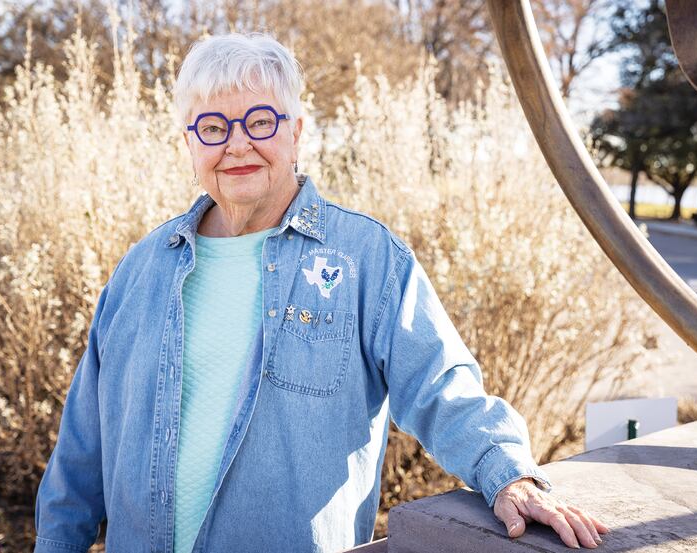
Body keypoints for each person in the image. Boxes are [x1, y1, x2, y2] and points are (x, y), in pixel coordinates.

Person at [34, 33, 609, 553]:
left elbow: (441, 384)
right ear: (189, 141)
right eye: (213, 127)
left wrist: (507, 472)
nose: (237, 146)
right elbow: (82, 450)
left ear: (296, 132)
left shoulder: (366, 257)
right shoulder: (142, 269)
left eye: (260, 121)